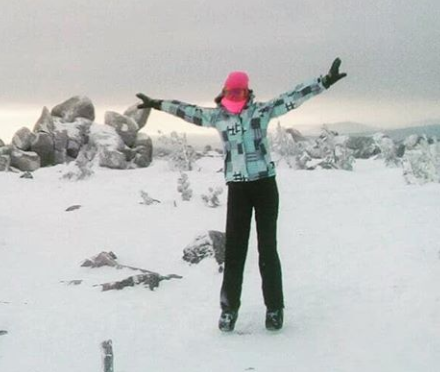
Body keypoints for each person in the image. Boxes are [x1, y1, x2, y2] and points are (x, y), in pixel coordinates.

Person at [136, 58, 347, 333]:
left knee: (267, 250)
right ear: (224, 92)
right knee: (235, 252)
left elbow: (292, 98)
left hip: (265, 186)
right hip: (238, 190)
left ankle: (274, 309)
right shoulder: (218, 117)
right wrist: (158, 103)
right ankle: (228, 310)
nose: (234, 96)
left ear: (248, 92)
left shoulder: (260, 112)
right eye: (230, 91)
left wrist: (324, 81)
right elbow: (187, 111)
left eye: (240, 91)